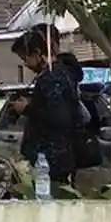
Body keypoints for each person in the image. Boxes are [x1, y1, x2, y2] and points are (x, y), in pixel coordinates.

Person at [10, 29, 78, 187]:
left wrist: (27, 109)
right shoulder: (59, 73)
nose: (25, 64)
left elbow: (59, 116)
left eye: (25, 58)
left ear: (38, 53)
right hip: (52, 157)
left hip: (50, 158)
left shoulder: (51, 77)